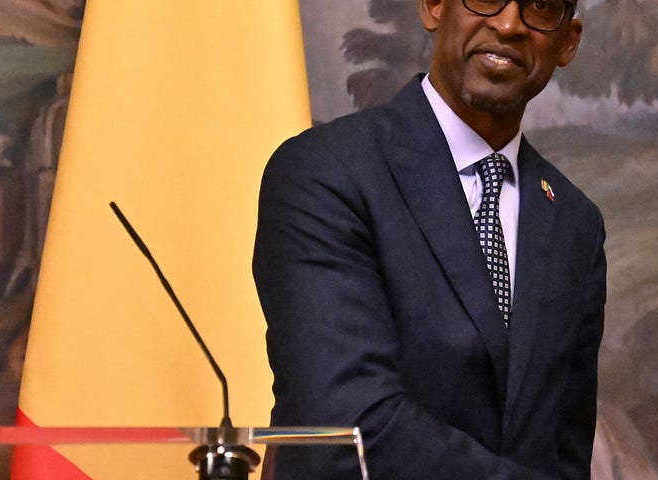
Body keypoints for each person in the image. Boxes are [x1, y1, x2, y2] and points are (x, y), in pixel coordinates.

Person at [252, 0, 602, 478]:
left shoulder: (575, 223)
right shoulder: (325, 173)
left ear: (567, 41)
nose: (508, 24)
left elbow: (566, 451)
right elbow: (351, 428)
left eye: (539, 6)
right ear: (434, 6)